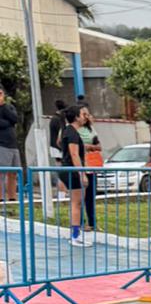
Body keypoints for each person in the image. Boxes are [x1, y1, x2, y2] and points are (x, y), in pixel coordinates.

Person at [58, 104, 91, 247]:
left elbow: (60, 142)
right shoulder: (71, 132)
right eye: (83, 114)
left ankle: (75, 234)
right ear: (76, 117)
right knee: (76, 203)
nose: (86, 117)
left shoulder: (68, 130)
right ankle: (75, 236)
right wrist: (82, 173)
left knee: (76, 203)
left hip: (68, 169)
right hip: (71, 170)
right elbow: (74, 154)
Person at [77, 103, 100, 235]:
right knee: (79, 196)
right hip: (80, 166)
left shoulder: (91, 129)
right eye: (83, 114)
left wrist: (87, 146)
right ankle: (79, 222)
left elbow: (99, 146)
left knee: (91, 196)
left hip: (91, 165)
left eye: (87, 114)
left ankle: (92, 222)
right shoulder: (73, 129)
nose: (86, 117)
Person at [0, 84, 18, 205]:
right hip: (2, 144)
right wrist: (8, 123)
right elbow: (3, 124)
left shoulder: (9, 107)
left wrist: (3, 105)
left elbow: (15, 119)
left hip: (13, 144)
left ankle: (12, 198)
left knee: (14, 172)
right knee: (1, 173)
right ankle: (1, 197)